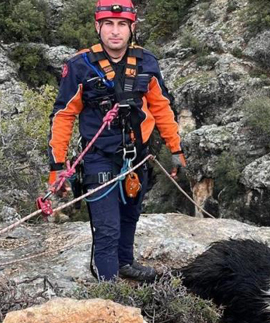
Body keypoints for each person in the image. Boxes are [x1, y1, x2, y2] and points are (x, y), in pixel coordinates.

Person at [47, 0, 186, 282]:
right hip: (99, 157)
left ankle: (125, 263)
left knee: (129, 216)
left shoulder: (146, 62)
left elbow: (161, 107)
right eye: (108, 24)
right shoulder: (80, 66)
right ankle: (108, 287)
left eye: (122, 25)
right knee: (107, 227)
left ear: (131, 28)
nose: (115, 31)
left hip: (138, 156)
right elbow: (63, 116)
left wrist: (175, 148)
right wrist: (57, 165)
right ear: (98, 27)